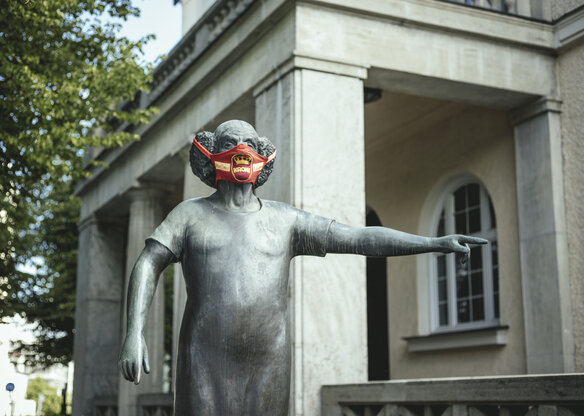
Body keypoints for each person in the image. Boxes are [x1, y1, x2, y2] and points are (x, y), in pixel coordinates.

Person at [119, 120, 486, 415]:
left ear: (262, 155)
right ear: (212, 154)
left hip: (269, 359)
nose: (241, 149)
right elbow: (149, 261)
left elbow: (358, 238)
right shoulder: (189, 215)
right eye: (231, 142)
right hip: (204, 356)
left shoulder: (286, 221)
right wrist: (134, 332)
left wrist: (433, 242)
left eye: (249, 143)